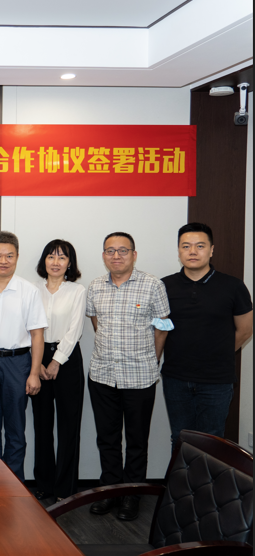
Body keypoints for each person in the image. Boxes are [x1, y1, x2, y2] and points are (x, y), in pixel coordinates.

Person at [86, 231, 170, 521]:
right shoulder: (95, 286)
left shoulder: (152, 285)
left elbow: (163, 327)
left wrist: (150, 360)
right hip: (102, 375)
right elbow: (96, 322)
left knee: (136, 441)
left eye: (123, 250)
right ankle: (109, 491)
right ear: (103, 255)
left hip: (140, 377)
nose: (116, 256)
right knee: (107, 439)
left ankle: (131, 495)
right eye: (110, 250)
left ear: (134, 255)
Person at [161, 223, 252, 447]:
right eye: (186, 246)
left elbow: (245, 330)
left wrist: (217, 352)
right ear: (179, 251)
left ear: (211, 250)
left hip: (217, 380)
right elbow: (158, 328)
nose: (193, 251)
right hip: (176, 378)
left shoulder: (233, 286)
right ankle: (182, 474)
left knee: (212, 441)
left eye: (200, 246)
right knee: (180, 439)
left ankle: (208, 474)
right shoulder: (163, 286)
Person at [0, 231, 46, 482]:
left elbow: (37, 335)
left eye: (9, 256)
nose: (3, 261)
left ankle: (15, 485)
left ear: (17, 257)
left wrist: (34, 373)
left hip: (18, 363)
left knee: (16, 429)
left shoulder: (29, 291)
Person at [30, 240, 87, 502]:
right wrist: (38, 362)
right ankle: (44, 484)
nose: (56, 262)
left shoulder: (77, 291)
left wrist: (56, 361)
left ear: (69, 263)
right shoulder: (32, 290)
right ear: (44, 261)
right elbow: (27, 327)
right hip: (37, 358)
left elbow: (75, 330)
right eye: (51, 257)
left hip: (68, 359)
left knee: (68, 425)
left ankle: (66, 488)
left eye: (62, 257)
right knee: (42, 424)